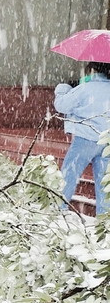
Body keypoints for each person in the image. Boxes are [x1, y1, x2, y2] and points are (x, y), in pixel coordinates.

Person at [54, 61, 110, 214]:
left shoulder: (84, 89)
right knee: (105, 183)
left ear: (92, 70)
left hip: (85, 139)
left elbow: (61, 105)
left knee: (68, 175)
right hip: (107, 142)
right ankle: (105, 222)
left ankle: (57, 209)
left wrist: (62, 90)